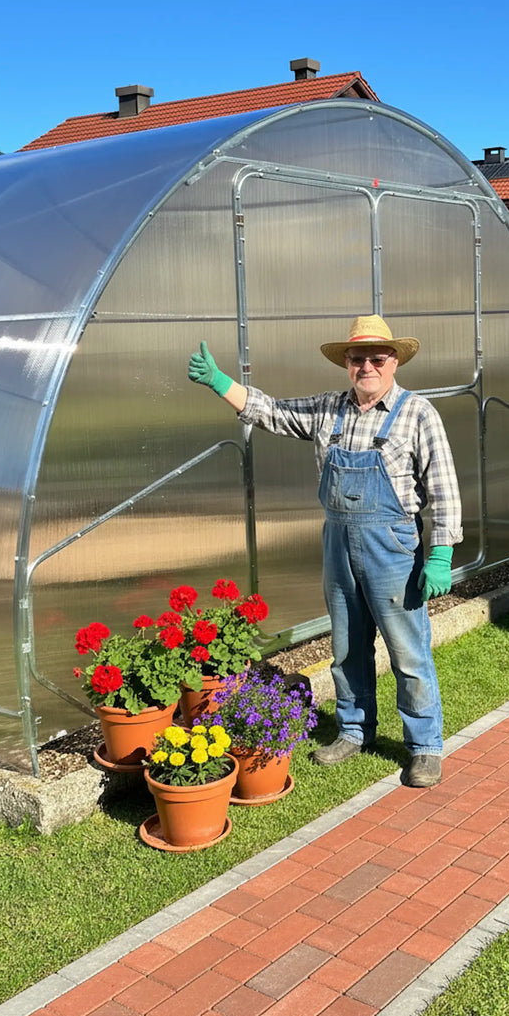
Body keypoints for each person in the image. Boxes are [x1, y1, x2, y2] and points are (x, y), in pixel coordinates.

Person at [188, 314, 462, 787]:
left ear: (394, 361)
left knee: (408, 652)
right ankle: (355, 731)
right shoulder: (326, 410)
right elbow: (269, 411)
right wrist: (219, 381)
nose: (367, 367)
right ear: (347, 364)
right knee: (347, 647)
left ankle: (424, 746)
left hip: (394, 547)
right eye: (357, 359)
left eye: (377, 358)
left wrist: (440, 554)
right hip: (338, 543)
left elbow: (443, 489)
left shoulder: (418, 414)